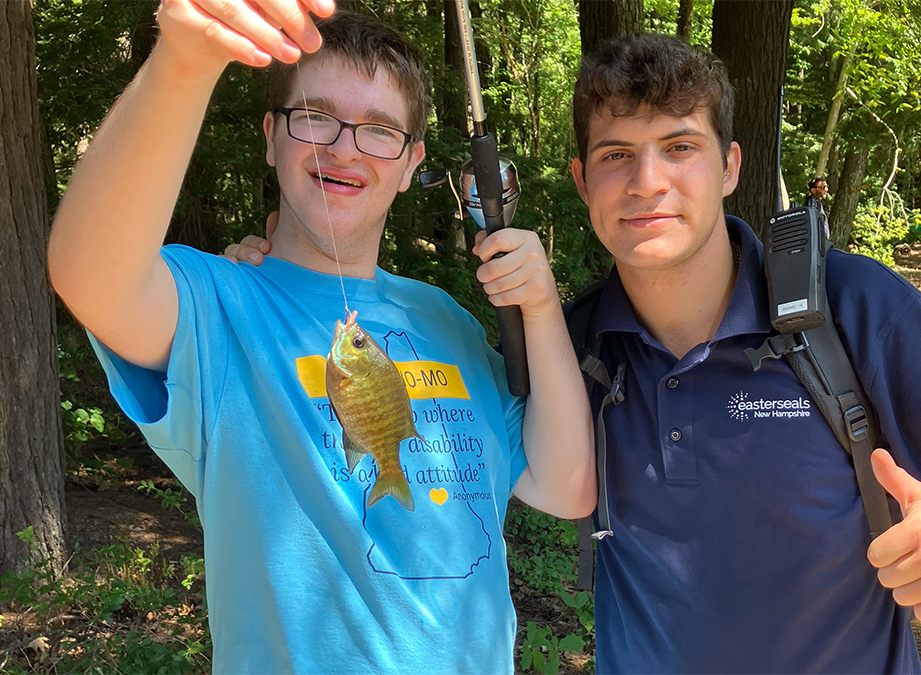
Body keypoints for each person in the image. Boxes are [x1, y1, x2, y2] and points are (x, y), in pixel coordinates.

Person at [229, 32, 921, 675]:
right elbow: (452, 441)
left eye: (680, 147)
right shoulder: (570, 345)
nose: (648, 182)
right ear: (582, 177)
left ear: (731, 164)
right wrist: (282, 277)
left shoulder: (845, 307)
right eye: (616, 156)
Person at [46, 3, 595, 673]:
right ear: (271, 136)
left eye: (380, 130)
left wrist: (539, 308)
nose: (344, 148)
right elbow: (89, 272)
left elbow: (566, 486)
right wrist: (186, 60)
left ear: (411, 160)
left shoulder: (447, 319)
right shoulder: (219, 307)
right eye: (315, 117)